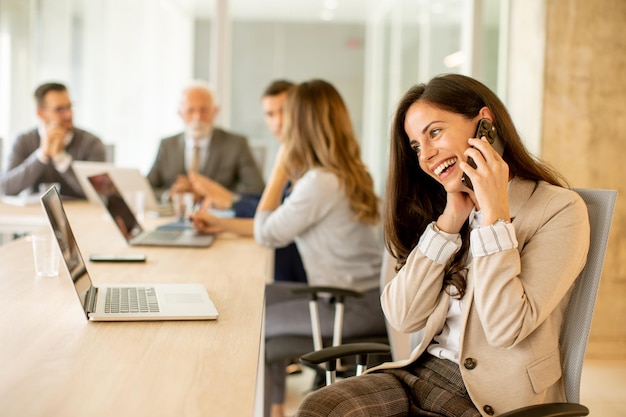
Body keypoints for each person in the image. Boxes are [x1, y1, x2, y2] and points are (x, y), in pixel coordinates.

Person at [295, 73, 591, 417]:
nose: (426, 156)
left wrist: (495, 216)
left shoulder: (558, 209)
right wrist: (449, 222)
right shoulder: (448, 210)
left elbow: (506, 327)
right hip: (420, 373)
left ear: (485, 125)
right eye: (417, 145)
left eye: (435, 132)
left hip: (488, 398)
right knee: (322, 407)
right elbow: (402, 317)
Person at [254, 79, 387, 417]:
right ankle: (274, 408)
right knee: (257, 294)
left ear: (300, 125)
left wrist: (280, 167)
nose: (281, 125)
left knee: (250, 317)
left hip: (348, 307)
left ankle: (269, 409)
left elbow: (265, 233)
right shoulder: (350, 173)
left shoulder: (319, 183)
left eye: (288, 116)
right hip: (368, 299)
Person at [191, 79, 307, 284]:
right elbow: (274, 217)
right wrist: (221, 222)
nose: (278, 122)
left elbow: (272, 220)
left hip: (295, 277)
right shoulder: (294, 157)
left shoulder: (309, 167)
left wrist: (230, 201)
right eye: (270, 114)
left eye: (284, 111)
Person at [146, 80, 265, 202]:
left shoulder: (236, 144)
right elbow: (146, 188)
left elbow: (257, 190)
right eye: (190, 110)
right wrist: (169, 195)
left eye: (204, 110)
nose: (197, 117)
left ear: (215, 111)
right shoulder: (167, 145)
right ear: (180, 113)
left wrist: (210, 195)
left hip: (218, 217)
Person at [0, 82, 106, 198]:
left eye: (69, 107)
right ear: (40, 113)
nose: (68, 115)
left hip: (81, 213)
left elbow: (99, 193)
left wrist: (60, 158)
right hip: (34, 213)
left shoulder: (92, 143)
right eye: (59, 109)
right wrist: (42, 155)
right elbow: (6, 189)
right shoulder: (23, 141)